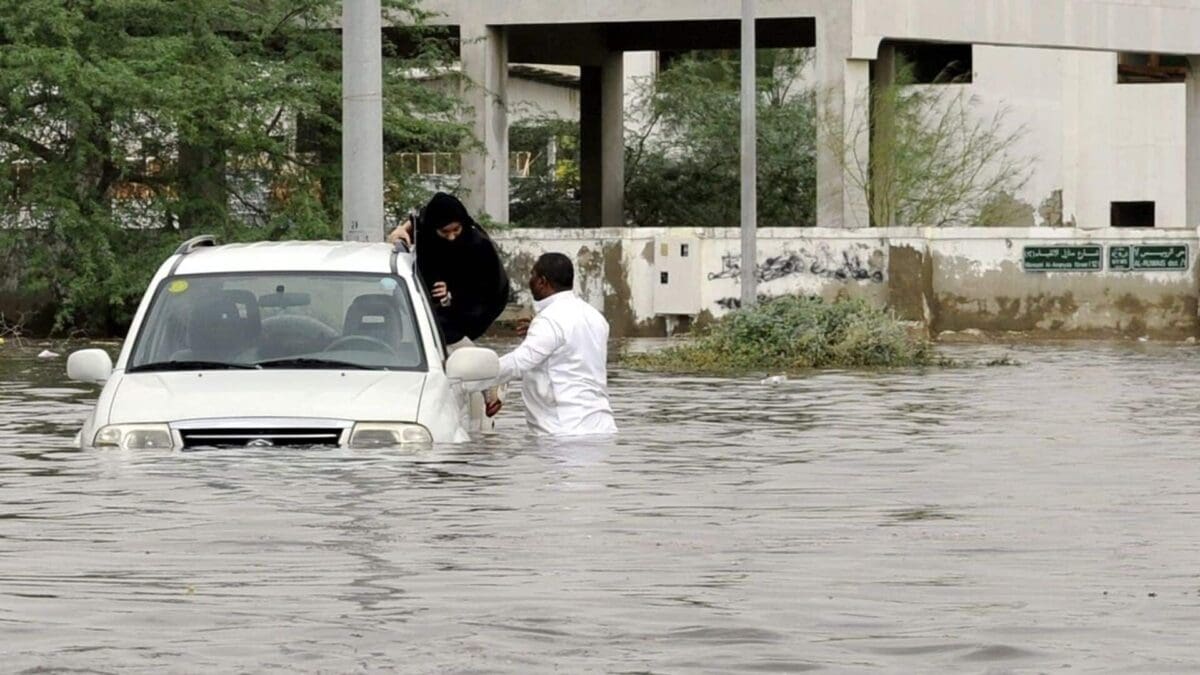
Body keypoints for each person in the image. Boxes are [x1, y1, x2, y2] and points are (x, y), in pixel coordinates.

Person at [489, 253, 617, 437]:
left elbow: (519, 363)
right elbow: (569, 355)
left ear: (542, 281)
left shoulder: (549, 319)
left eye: (532, 275)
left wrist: (478, 377)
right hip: (603, 428)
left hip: (563, 432)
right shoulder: (594, 316)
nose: (529, 280)